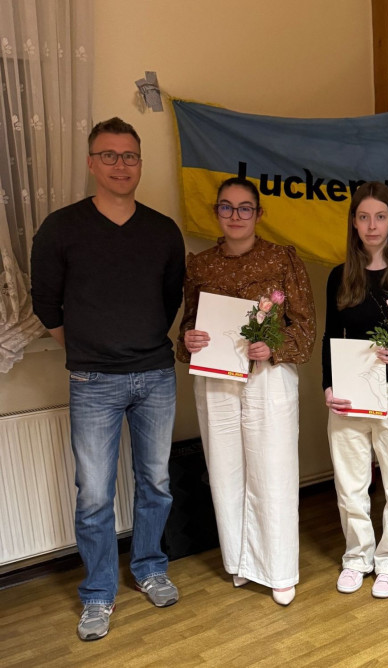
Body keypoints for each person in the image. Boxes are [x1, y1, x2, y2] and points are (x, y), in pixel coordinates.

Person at [30, 117, 186, 641]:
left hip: (155, 376)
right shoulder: (61, 228)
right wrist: (85, 348)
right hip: (92, 380)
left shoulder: (162, 230)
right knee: (94, 494)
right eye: (110, 155)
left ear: (140, 163)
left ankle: (149, 567)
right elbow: (46, 303)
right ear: (92, 163)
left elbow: (170, 298)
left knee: (156, 484)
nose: (121, 165)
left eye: (130, 156)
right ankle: (98, 594)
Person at [178, 177, 316, 606]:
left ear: (258, 214)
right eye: (226, 207)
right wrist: (189, 339)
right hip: (216, 378)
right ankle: (239, 561)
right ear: (216, 212)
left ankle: (278, 569)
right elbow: (188, 324)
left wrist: (273, 346)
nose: (235, 215)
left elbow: (305, 326)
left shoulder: (282, 259)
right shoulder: (200, 265)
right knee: (224, 470)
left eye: (244, 208)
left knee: (273, 470)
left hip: (267, 376)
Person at [322, 181, 388, 599]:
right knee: (351, 486)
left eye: (380, 217)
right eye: (364, 217)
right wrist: (328, 387)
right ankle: (357, 558)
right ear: (354, 222)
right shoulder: (339, 276)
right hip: (349, 394)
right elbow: (331, 337)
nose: (372, 226)